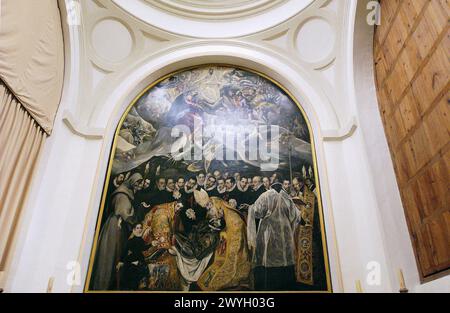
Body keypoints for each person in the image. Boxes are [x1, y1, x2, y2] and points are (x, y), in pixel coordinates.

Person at [91, 173, 143, 290]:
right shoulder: (122, 194)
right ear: (132, 181)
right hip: (115, 227)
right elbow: (126, 214)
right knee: (111, 253)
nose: (138, 186)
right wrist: (138, 211)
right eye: (137, 183)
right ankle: (103, 285)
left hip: (118, 224)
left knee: (117, 254)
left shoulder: (126, 191)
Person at [246, 182, 302, 291]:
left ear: (271, 187)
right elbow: (295, 215)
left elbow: (257, 212)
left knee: (269, 257)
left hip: (269, 232)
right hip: (284, 233)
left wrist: (250, 208)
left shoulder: (265, 195)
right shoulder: (286, 197)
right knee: (283, 259)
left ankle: (270, 286)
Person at [116, 223, 150, 290]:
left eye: (140, 228)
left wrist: (151, 244)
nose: (139, 230)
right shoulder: (130, 241)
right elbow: (125, 251)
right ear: (134, 230)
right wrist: (121, 261)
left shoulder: (141, 240)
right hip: (131, 261)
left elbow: (143, 248)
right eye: (137, 228)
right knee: (132, 280)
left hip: (140, 260)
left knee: (142, 277)